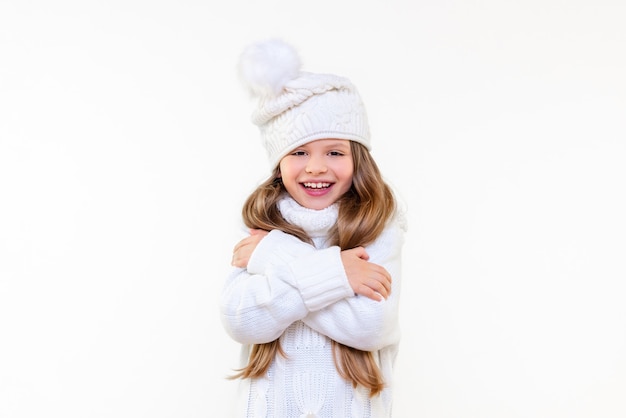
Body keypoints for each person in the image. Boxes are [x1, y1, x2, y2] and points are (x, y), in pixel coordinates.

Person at [220, 39, 407, 418]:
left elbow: (371, 324)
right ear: (278, 161)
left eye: (334, 152)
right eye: (299, 152)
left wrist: (276, 257)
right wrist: (340, 275)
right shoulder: (260, 225)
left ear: (358, 158)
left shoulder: (376, 224)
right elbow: (241, 319)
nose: (316, 167)